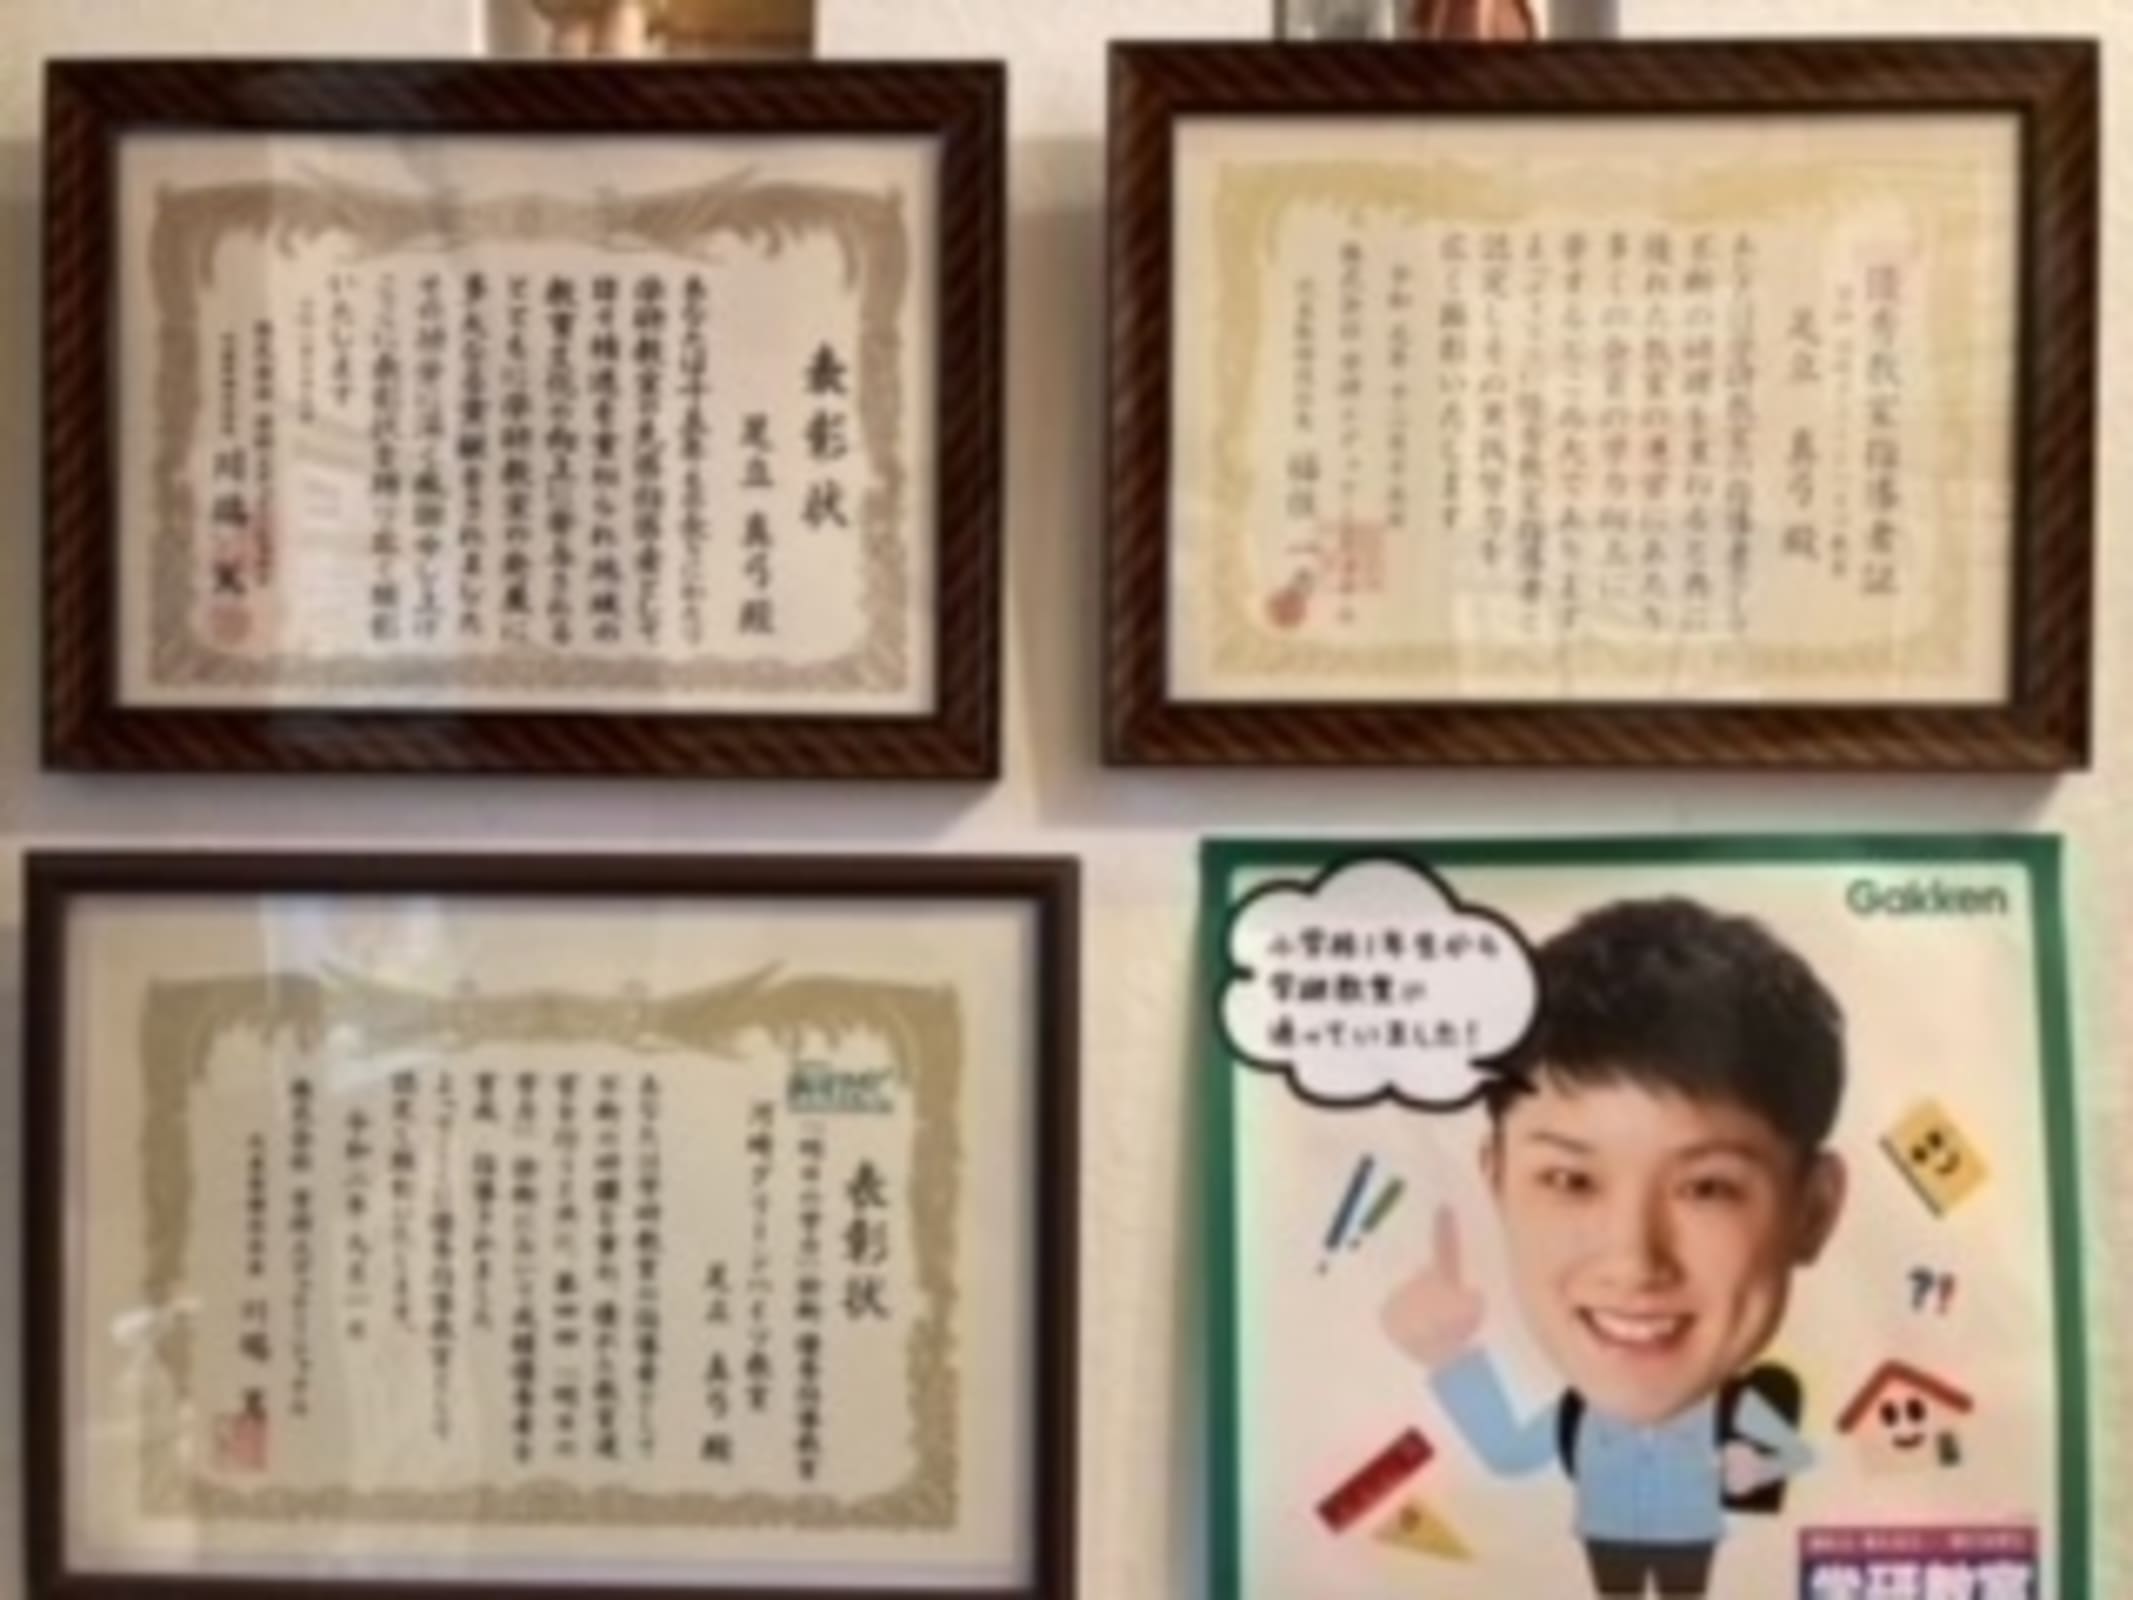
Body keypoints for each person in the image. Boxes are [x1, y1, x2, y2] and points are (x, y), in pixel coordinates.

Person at [1381, 898, 1849, 1599]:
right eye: (1570, 1180)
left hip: (1694, 1539)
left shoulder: (1731, 1413)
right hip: (1605, 1540)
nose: (1633, 1263)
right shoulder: (1579, 1416)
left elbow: (1794, 1453)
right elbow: (1510, 1452)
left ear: (1812, 1211)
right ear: (1497, 1180)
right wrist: (1450, 1360)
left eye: (1708, 1188)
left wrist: (1754, 1468)